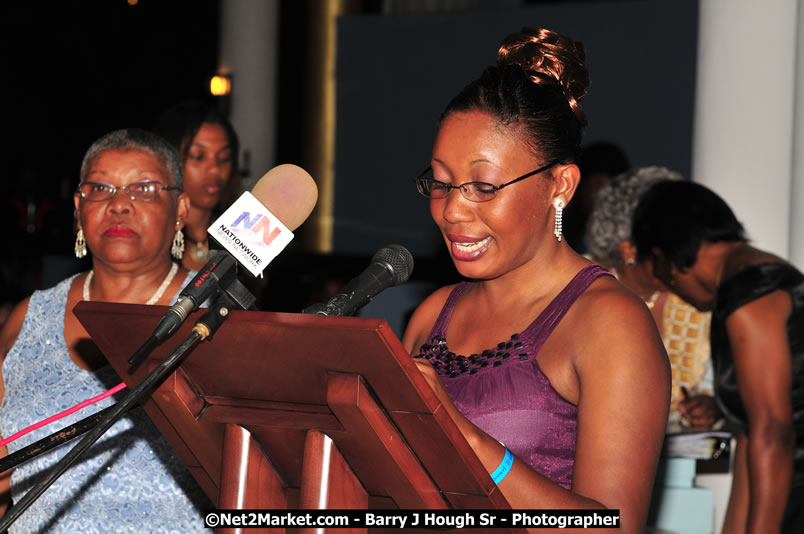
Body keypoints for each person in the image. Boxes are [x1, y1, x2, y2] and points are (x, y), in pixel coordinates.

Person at [402, 27, 670, 532]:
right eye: (440, 183)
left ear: (560, 185)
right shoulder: (432, 315)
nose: (452, 210)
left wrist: (470, 440)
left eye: (483, 186)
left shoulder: (610, 322)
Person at [0, 128, 211, 532]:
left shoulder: (214, 317)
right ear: (79, 207)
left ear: (180, 209)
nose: (118, 205)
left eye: (143, 189)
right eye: (100, 188)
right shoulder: (29, 318)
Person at [632, 180, 804, 534]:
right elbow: (753, 432)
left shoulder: (750, 296)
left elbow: (774, 433)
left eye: (662, 278)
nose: (670, 290)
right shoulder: (755, 280)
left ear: (667, 259)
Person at [585, 166, 720, 431]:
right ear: (629, 251)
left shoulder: (698, 297)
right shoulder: (577, 288)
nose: (685, 256)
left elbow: (716, 384)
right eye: (671, 248)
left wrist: (709, 404)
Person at [153, 99, 240, 271]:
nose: (215, 169)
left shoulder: (238, 237)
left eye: (223, 158)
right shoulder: (151, 239)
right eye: (198, 156)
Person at [563, 141, 630, 254]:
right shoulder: (561, 236)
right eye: (598, 182)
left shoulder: (632, 240)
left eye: (613, 184)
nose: (605, 193)